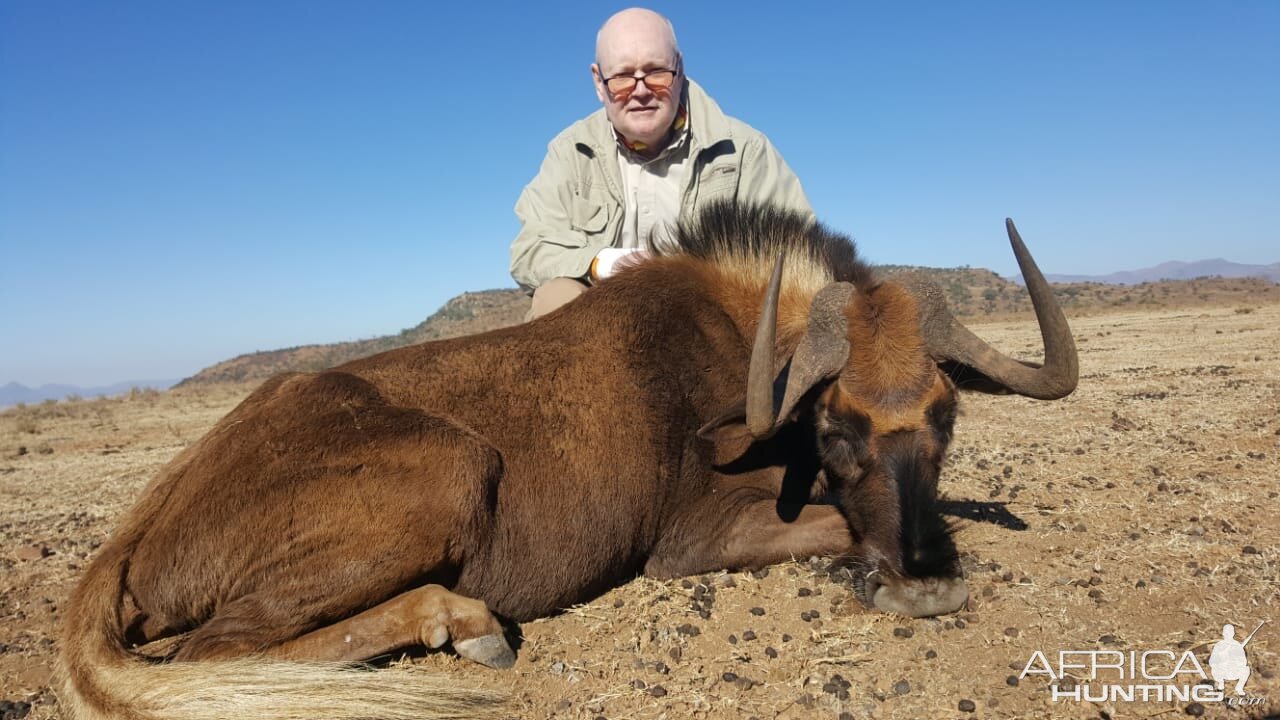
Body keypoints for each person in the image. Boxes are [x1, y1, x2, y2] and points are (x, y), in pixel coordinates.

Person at [510, 7, 814, 320]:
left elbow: (801, 254)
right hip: (604, 331)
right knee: (555, 295)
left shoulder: (743, 151)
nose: (640, 91)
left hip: (712, 330)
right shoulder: (570, 155)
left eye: (656, 72)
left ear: (679, 69)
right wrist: (602, 262)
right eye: (623, 77)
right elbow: (530, 248)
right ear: (599, 82)